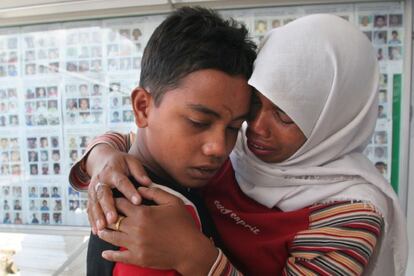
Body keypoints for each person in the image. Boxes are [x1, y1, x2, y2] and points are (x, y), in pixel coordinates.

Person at [70, 14, 408, 275]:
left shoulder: (349, 215)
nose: (254, 129)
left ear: (331, 122)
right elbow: (132, 139)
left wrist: (197, 258)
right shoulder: (235, 151)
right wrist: (102, 158)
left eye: (286, 116)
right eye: (256, 105)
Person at [71, 6, 255, 276]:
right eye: (198, 122)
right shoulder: (146, 223)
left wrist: (100, 153)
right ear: (143, 107)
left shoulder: (173, 177)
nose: (218, 147)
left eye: (234, 128)